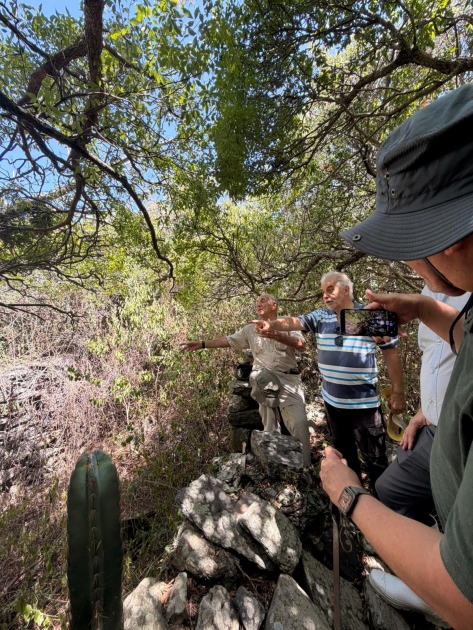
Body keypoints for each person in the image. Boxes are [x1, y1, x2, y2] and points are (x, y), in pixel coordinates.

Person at [320, 84, 473, 629]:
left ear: (450, 238)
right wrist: (428, 309)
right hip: (427, 435)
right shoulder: (460, 306)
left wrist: (350, 498)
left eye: (410, 240)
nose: (409, 261)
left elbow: (468, 597)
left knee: (377, 489)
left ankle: (414, 589)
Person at [251, 271, 406, 490]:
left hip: (364, 405)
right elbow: (295, 322)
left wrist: (398, 392)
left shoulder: (362, 315)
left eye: (330, 289)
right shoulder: (321, 317)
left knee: (375, 461)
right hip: (333, 404)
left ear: (345, 290)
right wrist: (273, 324)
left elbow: (390, 352)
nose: (325, 295)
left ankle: (384, 510)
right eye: (323, 291)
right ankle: (354, 507)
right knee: (345, 459)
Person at [180, 294, 312, 466]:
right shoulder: (250, 329)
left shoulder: (287, 322)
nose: (258, 304)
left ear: (274, 305)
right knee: (259, 375)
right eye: (257, 302)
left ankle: (306, 468)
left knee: (300, 424)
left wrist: (277, 335)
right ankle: (273, 450)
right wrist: (203, 344)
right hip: (266, 379)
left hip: (289, 379)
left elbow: (302, 345)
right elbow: (228, 340)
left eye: (263, 301)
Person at [376, 286, 471, 526]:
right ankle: (429, 533)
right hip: (433, 426)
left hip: (464, 431)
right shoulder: (430, 288)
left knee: (459, 521)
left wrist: (423, 309)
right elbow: (436, 355)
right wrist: (424, 411)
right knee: (388, 490)